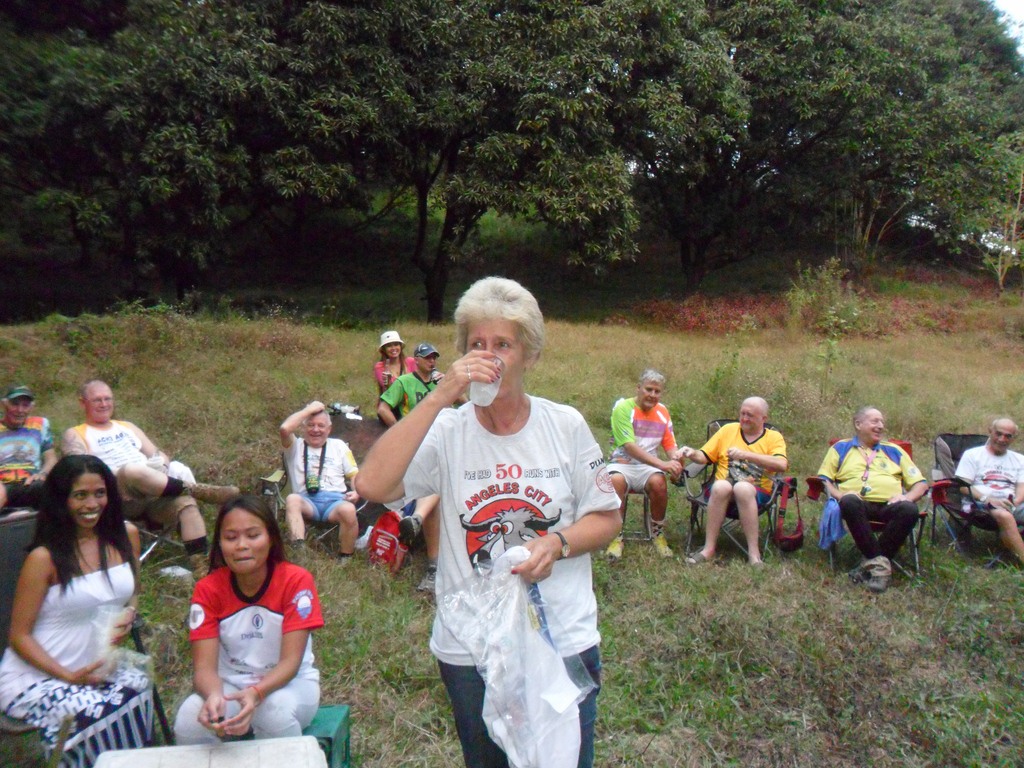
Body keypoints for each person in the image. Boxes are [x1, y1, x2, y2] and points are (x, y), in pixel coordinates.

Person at [355, 276, 622, 768]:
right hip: (471, 649)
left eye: (503, 345)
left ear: (530, 355)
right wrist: (439, 397)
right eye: (476, 344)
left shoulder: (564, 425)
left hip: (561, 637)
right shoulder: (447, 431)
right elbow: (371, 484)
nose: (488, 356)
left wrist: (557, 543)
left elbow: (607, 518)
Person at [0, 454, 153, 767]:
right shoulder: (45, 558)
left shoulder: (126, 536)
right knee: (91, 711)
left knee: (138, 688)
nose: (91, 504)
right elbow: (19, 636)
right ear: (61, 500)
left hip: (96, 665)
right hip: (39, 674)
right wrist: (68, 676)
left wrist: (128, 615)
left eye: (99, 493)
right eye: (79, 495)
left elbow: (133, 593)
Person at [174, 495, 324, 744]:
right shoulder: (207, 589)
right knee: (189, 721)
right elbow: (204, 669)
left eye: (253, 535)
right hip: (232, 685)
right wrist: (214, 696)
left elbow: (290, 663)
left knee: (273, 714)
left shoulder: (296, 581)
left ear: (271, 538)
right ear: (220, 543)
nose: (241, 545)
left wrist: (256, 693)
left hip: (290, 685)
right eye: (231, 537)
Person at [61, 379, 239, 579]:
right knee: (130, 471)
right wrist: (116, 474)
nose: (104, 404)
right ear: (83, 403)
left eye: (107, 399)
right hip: (115, 495)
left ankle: (203, 569)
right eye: (97, 400)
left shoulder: (126, 426)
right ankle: (200, 490)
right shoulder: (75, 434)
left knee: (186, 504)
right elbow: (79, 470)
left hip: (153, 491)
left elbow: (158, 454)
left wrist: (161, 466)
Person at [815, 406, 928, 593]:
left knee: (909, 509)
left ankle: (871, 566)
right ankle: (880, 567)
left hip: (890, 505)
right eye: (875, 421)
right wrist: (840, 494)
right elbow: (823, 480)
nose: (880, 426)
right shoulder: (841, 448)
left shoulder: (894, 450)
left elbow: (921, 485)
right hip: (858, 505)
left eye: (882, 422)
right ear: (858, 424)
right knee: (849, 502)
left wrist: (906, 497)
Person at [679, 397, 788, 567]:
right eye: (742, 413)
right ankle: (708, 549)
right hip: (721, 492)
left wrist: (746, 455)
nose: (744, 418)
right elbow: (704, 456)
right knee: (721, 486)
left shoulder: (773, 437)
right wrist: (691, 453)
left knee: (743, 488)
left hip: (757, 494)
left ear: (763, 419)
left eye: (750, 415)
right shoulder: (728, 430)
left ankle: (754, 554)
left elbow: (781, 464)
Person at [377, 342, 447, 592]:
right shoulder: (405, 382)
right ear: (415, 360)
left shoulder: (441, 383)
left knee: (438, 482)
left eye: (434, 357)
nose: (432, 361)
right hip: (417, 445)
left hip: (442, 443)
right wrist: (400, 429)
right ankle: (433, 564)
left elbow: (467, 407)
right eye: (427, 358)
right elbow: (383, 407)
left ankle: (417, 519)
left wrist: (450, 386)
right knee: (434, 484)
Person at [605, 370, 684, 560]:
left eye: (657, 391)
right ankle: (615, 536)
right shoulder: (623, 408)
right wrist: (663, 464)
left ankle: (658, 535)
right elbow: (629, 447)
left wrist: (677, 459)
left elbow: (669, 444)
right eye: (649, 389)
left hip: (648, 466)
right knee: (616, 481)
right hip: (621, 462)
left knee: (659, 483)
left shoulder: (662, 412)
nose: (652, 395)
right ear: (638, 388)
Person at [279, 401, 361, 563]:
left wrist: (357, 491)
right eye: (310, 425)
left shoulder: (339, 446)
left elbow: (354, 475)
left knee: (349, 509)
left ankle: (345, 557)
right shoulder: (295, 445)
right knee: (292, 499)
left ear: (329, 429)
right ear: (303, 427)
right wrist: (308, 410)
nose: (316, 430)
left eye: (321, 426)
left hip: (335, 502)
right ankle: (299, 551)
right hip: (307, 501)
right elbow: (284, 429)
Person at [954, 417, 1024, 565]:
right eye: (998, 434)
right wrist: (987, 499)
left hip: (1011, 503)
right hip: (980, 504)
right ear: (990, 431)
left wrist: (1015, 502)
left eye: (1008, 436)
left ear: (1013, 438)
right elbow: (962, 486)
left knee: (1006, 512)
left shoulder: (1019, 459)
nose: (1002, 439)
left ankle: (1012, 545)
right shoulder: (972, 455)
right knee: (1004, 516)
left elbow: (1021, 487)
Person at [0, 384, 58, 510]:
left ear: (31, 407)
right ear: (4, 404)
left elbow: (51, 458)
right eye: (15, 404)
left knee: (53, 487)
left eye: (25, 405)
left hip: (30, 483)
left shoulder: (40, 424)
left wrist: (43, 473)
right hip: (3, 484)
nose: (20, 410)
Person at [373, 330, 417, 398]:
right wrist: (388, 383)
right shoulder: (380, 367)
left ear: (400, 346)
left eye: (396, 344)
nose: (393, 348)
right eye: (389, 346)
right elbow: (389, 390)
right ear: (384, 349)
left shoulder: (411, 362)